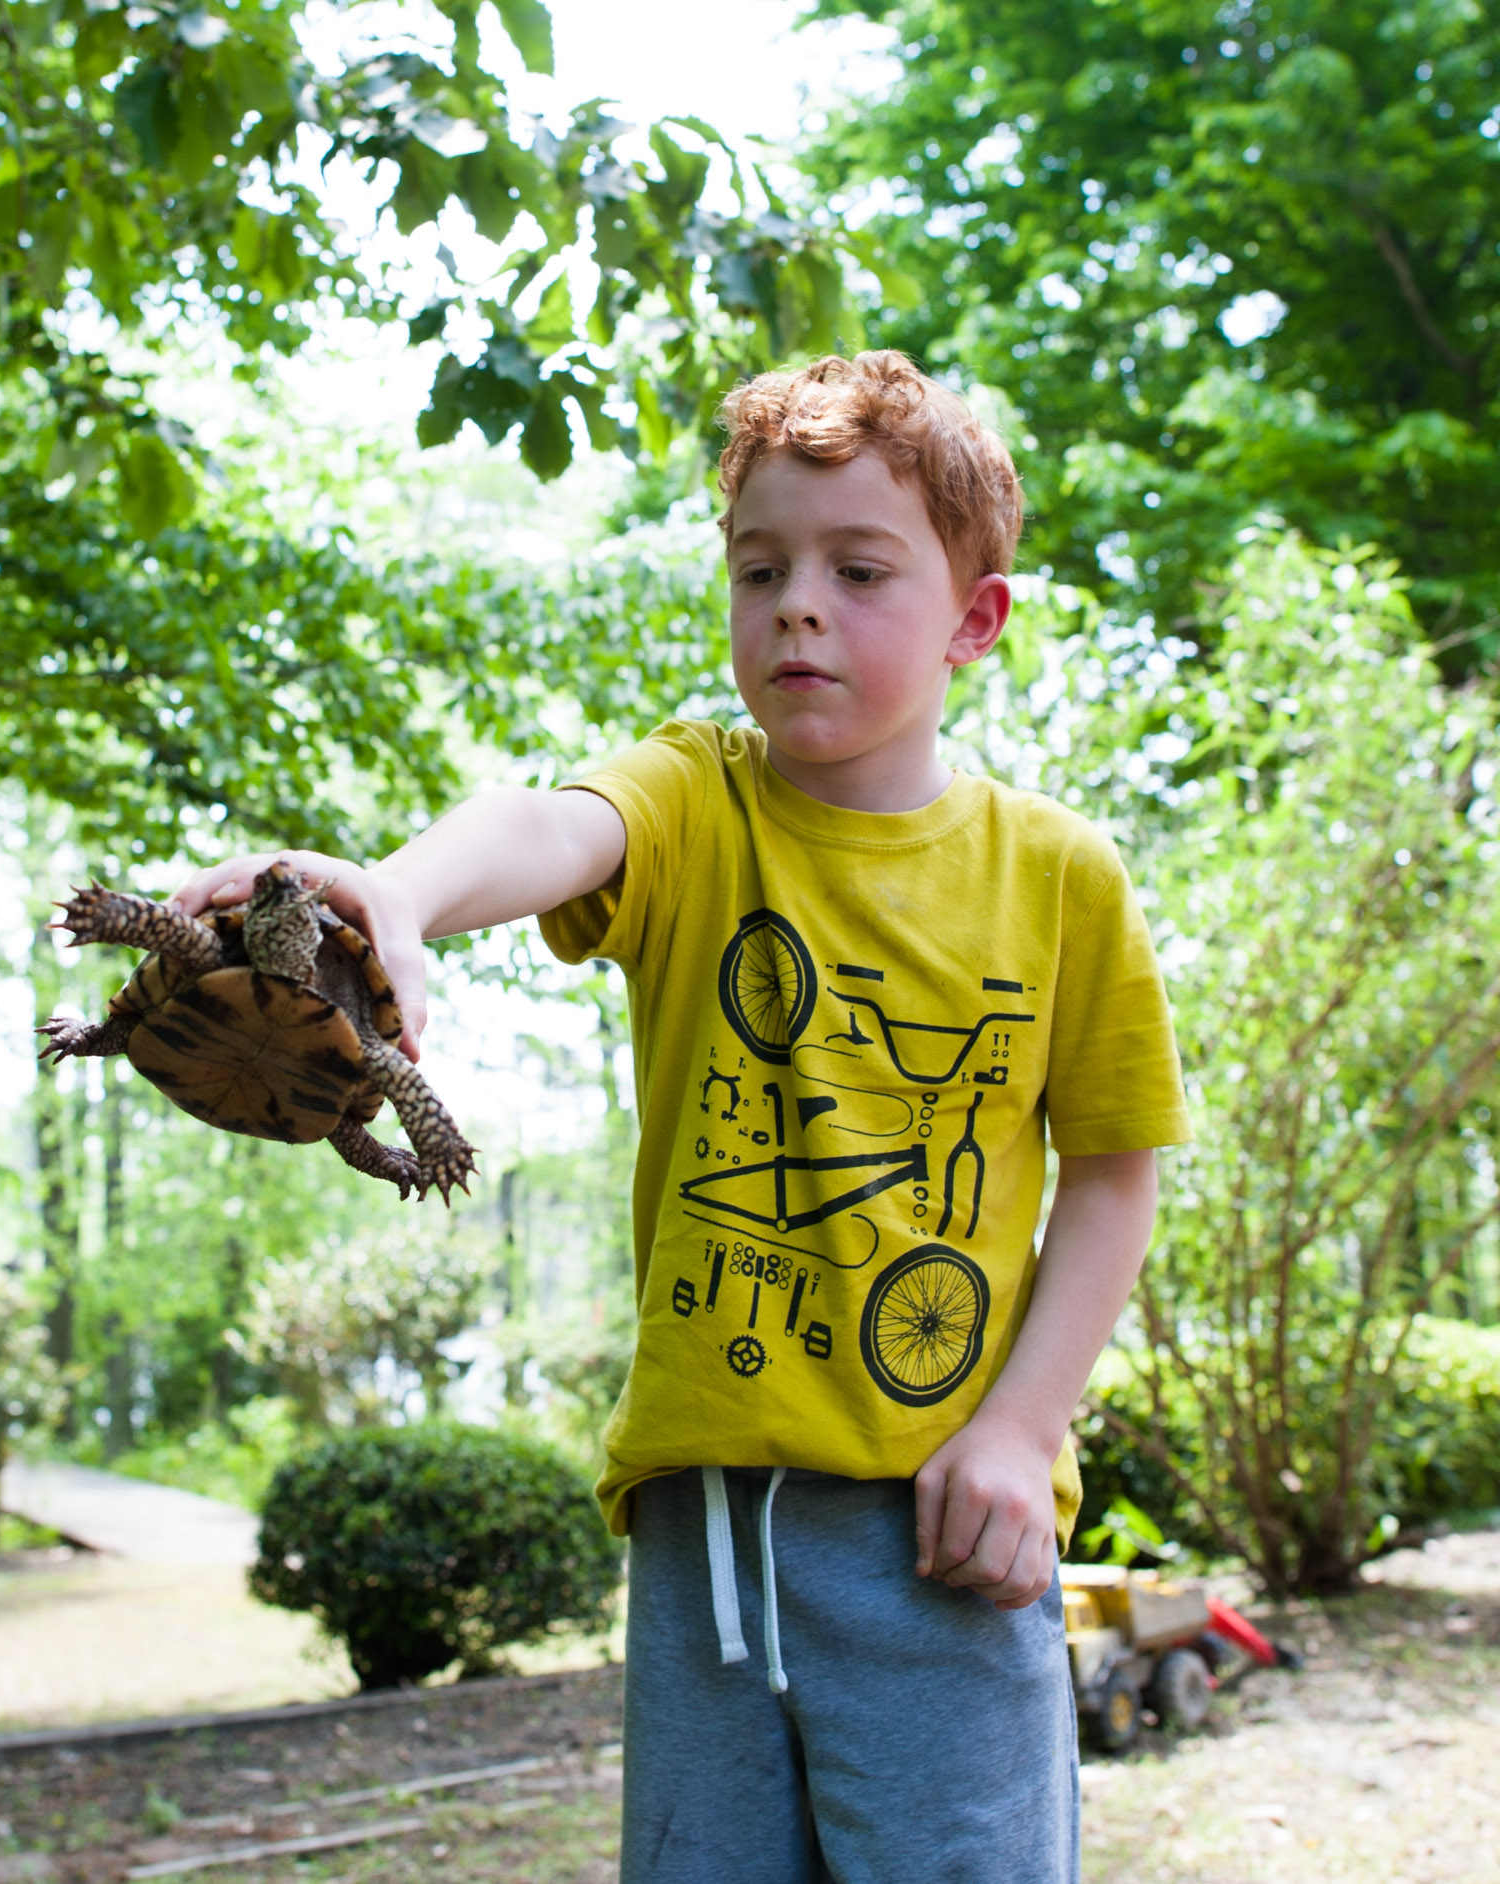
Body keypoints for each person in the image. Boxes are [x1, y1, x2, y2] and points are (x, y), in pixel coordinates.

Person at [174, 351, 1189, 1882]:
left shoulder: (1058, 878)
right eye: (760, 568)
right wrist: (402, 894)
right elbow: (546, 824)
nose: (797, 606)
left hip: (943, 1533)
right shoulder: (698, 802)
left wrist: (1021, 1429)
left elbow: (1114, 1173)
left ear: (975, 621)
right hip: (704, 1537)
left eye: (860, 572)